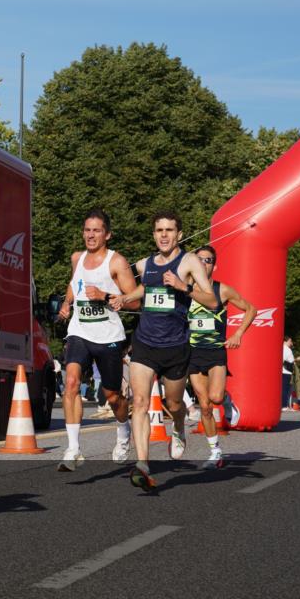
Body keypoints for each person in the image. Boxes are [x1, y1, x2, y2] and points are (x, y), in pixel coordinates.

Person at [109, 211, 218, 492]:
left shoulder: (190, 261)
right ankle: (143, 464)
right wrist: (124, 297)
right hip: (145, 344)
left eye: (170, 230)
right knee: (141, 402)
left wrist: (185, 287)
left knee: (173, 404)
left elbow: (213, 302)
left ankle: (179, 425)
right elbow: (146, 289)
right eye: (159, 230)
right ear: (154, 234)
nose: (164, 235)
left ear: (179, 234)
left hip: (175, 347)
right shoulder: (147, 264)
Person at [55, 209, 139, 471]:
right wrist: (67, 303)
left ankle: (123, 431)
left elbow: (135, 301)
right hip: (80, 331)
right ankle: (73, 449)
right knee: (71, 382)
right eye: (87, 230)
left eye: (96, 230)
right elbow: (74, 283)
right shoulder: (77, 258)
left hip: (108, 336)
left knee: (112, 396)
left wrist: (104, 296)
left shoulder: (117, 263)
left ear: (107, 234)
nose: (90, 235)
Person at [186, 246, 256, 469]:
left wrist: (237, 334)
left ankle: (226, 401)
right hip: (192, 352)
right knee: (204, 406)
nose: (203, 263)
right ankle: (215, 451)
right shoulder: (183, 290)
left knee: (215, 398)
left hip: (215, 351)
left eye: (207, 260)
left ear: (214, 266)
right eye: (199, 260)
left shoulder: (222, 290)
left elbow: (251, 309)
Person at [282, 336, 296, 411]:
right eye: (290, 341)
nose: (291, 343)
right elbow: (291, 361)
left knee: (281, 388)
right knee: (285, 389)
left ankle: (281, 405)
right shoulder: (288, 350)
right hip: (286, 371)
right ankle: (284, 405)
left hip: (280, 371)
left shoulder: (279, 348)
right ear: (285, 341)